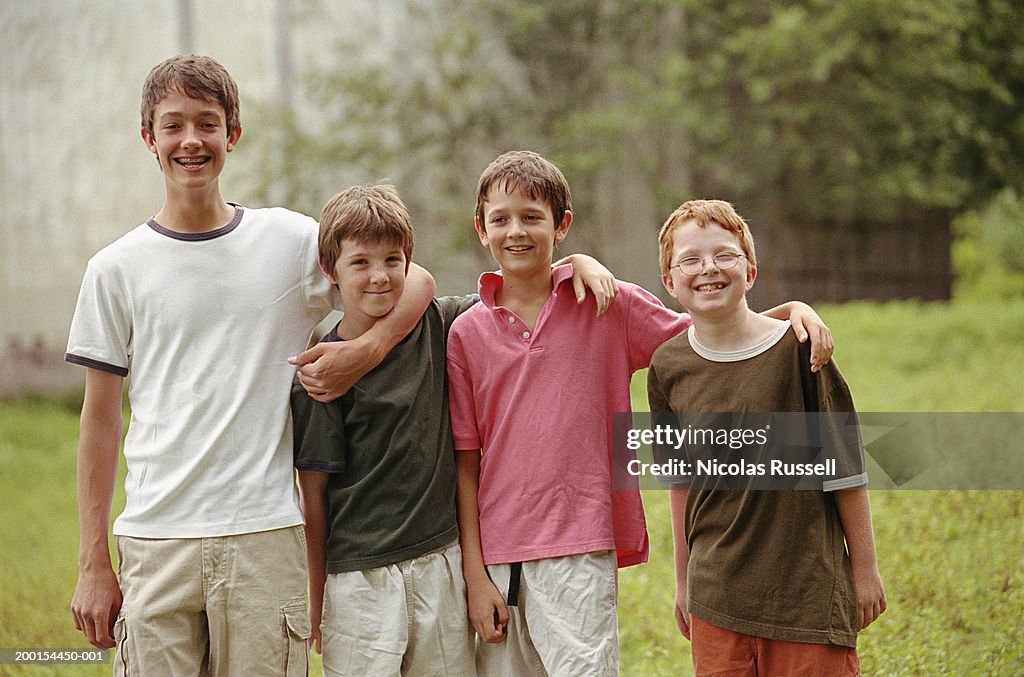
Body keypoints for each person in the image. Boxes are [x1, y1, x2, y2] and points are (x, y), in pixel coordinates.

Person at [64, 54, 433, 676]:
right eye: (173, 124)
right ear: (148, 137)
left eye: (207, 124)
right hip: (158, 540)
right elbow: (99, 422)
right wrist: (92, 561)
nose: (191, 141)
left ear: (232, 135)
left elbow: (409, 275)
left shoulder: (287, 243)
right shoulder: (114, 268)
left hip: (265, 535)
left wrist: (365, 351)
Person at [446, 151, 835, 676]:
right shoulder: (466, 333)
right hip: (495, 552)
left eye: (532, 217)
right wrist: (474, 574)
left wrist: (791, 313)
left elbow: (709, 337)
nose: (516, 231)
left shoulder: (607, 304)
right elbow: (465, 463)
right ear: (481, 229)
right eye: (502, 219)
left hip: (579, 540)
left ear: (562, 225)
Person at [291, 183, 617, 676]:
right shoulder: (322, 372)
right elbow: (312, 499)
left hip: (440, 561)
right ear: (329, 269)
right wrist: (316, 598)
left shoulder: (442, 323)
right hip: (356, 577)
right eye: (360, 263)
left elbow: (515, 288)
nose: (379, 277)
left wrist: (578, 264)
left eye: (392, 261)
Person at [647, 199, 886, 676]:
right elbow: (681, 482)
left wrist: (865, 571)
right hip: (717, 595)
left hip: (808, 597)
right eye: (690, 259)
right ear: (670, 283)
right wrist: (683, 581)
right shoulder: (667, 367)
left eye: (724, 255)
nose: (708, 268)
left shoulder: (801, 350)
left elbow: (846, 467)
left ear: (750, 271)